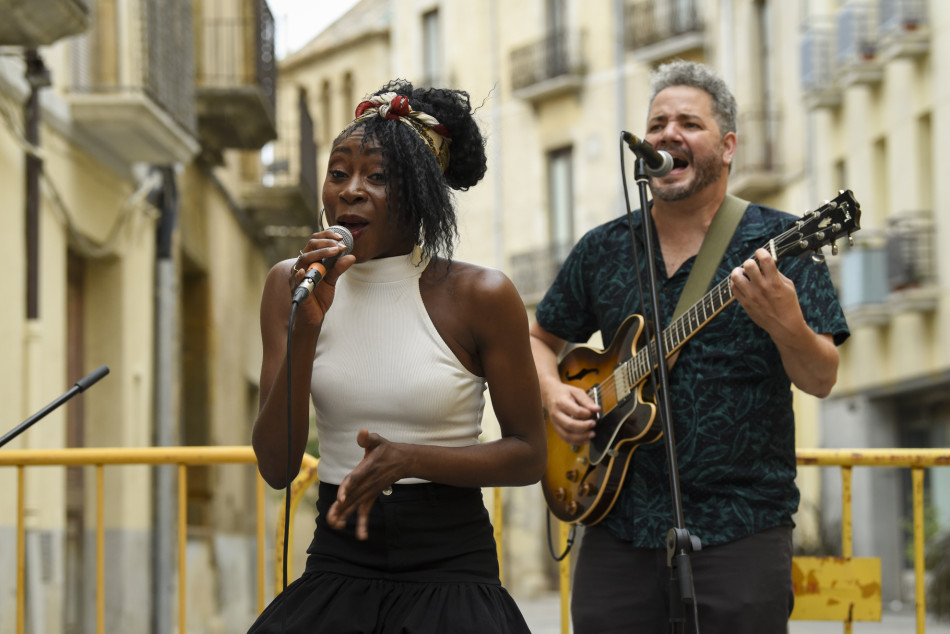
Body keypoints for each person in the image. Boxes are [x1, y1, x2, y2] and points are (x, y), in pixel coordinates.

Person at [529, 60, 850, 633]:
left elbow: (821, 378)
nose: (667, 134)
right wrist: (552, 392)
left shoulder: (779, 245)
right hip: (616, 526)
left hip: (741, 529)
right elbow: (539, 336)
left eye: (688, 123)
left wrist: (786, 324)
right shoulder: (603, 249)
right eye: (656, 124)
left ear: (727, 147)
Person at [249, 80, 546, 633]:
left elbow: (530, 455)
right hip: (338, 563)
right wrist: (307, 329)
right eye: (338, 173)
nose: (351, 191)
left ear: (420, 194)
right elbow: (276, 465)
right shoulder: (288, 286)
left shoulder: (481, 295)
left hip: (452, 571)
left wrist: (413, 459)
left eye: (378, 177)